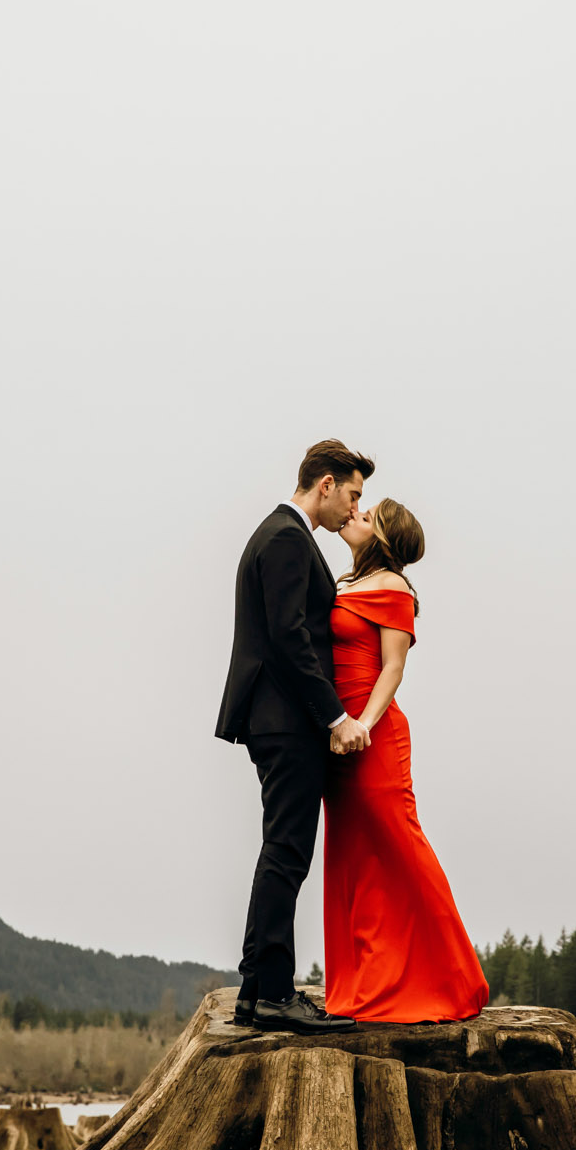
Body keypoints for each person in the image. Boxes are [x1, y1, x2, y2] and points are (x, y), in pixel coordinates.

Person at [215, 439, 373, 1033]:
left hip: (276, 718)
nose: (353, 509)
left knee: (281, 850)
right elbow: (289, 638)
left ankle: (257, 991)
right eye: (352, 495)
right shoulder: (285, 537)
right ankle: (276, 993)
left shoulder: (282, 534)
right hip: (286, 720)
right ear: (325, 483)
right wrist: (335, 718)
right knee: (287, 852)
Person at [322, 498, 490, 1022]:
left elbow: (392, 669)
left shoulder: (394, 588)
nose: (355, 514)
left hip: (372, 737)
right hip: (336, 740)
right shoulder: (342, 586)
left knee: (401, 849)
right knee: (353, 858)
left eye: (367, 516)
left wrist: (362, 727)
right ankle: (367, 984)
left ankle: (456, 979)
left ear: (384, 540)